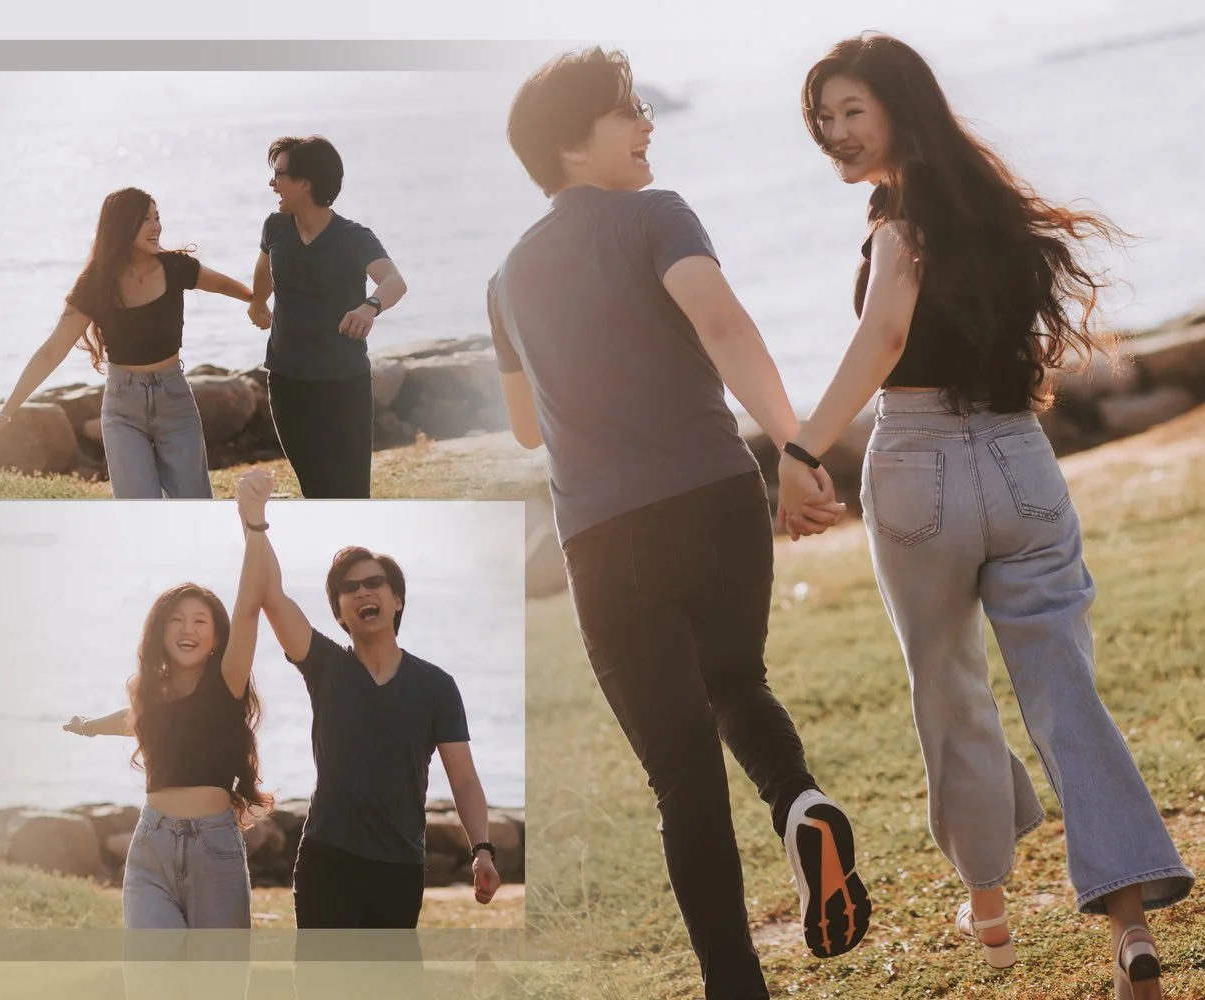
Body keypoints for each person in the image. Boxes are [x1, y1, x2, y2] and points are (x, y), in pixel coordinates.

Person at [786, 33, 1189, 998]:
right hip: (1020, 461)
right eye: (823, 118)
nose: (835, 134)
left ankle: (994, 913)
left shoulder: (898, 229)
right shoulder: (996, 212)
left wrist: (802, 450)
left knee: (949, 688)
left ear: (899, 109)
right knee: (1064, 689)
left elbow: (886, 337)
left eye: (852, 113)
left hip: (918, 467)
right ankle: (1126, 916)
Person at [488, 47, 868, 997]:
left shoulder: (503, 281)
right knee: (737, 679)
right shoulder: (658, 214)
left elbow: (527, 429)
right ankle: (801, 801)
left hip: (603, 538)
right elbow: (726, 327)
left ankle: (733, 986)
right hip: (712, 497)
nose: (647, 121)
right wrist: (796, 446)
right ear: (573, 147)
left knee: (680, 776)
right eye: (627, 111)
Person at [234, 469, 497, 933]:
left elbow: (465, 780)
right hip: (326, 861)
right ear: (339, 611)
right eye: (349, 589)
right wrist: (254, 521)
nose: (362, 592)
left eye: (374, 583)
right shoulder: (325, 666)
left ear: (396, 599)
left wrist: (482, 850)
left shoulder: (436, 685)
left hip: (398, 869)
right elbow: (270, 595)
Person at [0, 187, 256, 498]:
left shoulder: (176, 267)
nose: (156, 227)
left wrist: (256, 303)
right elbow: (51, 351)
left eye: (157, 217)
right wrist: (7, 412)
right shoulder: (96, 284)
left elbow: (222, 284)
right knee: (138, 509)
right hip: (123, 407)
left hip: (174, 398)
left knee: (193, 505)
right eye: (145, 219)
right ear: (123, 225)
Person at [62, 578, 268, 929]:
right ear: (160, 630)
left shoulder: (227, 682)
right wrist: (89, 725)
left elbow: (249, 609)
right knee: (151, 974)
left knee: (217, 981)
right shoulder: (151, 692)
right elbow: (135, 720)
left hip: (213, 847)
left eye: (200, 620)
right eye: (176, 619)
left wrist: (255, 532)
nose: (187, 629)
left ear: (217, 637)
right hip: (151, 843)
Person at [247, 136, 408, 499]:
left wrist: (370, 306)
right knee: (316, 489)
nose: (272, 184)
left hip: (343, 386)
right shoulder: (275, 227)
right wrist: (257, 304)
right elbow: (264, 268)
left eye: (280, 175)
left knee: (351, 492)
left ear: (306, 183)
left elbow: (394, 281)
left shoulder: (352, 237)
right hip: (287, 386)